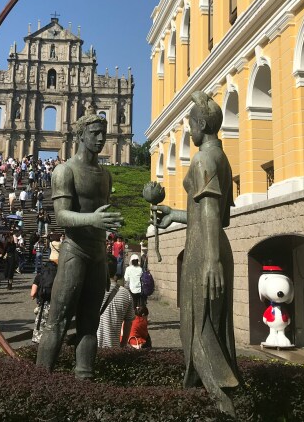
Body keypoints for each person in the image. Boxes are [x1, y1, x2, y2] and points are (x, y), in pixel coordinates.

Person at [153, 90, 241, 413]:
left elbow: (212, 212)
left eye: (191, 124)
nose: (189, 131)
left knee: (198, 331)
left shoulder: (203, 159)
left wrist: (211, 261)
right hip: (211, 244)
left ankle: (223, 405)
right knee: (212, 330)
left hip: (205, 251)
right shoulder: (221, 157)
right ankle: (203, 402)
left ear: (202, 124)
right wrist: (174, 215)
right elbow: (212, 213)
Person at [36, 114, 123, 379]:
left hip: (97, 253)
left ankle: (85, 379)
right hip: (74, 250)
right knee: (57, 321)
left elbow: (101, 215)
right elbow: (61, 216)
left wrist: (107, 226)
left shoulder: (106, 175)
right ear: (80, 135)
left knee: (90, 323)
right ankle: (39, 380)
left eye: (103, 133)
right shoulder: (65, 171)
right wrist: (93, 219)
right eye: (94, 133)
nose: (101, 138)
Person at [96, 257, 134, 349]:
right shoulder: (125, 294)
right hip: (114, 348)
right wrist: (123, 344)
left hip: (91, 349)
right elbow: (128, 322)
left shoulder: (92, 291)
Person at [30, 241, 58, 343]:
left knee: (39, 334)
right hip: (56, 306)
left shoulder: (40, 276)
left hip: (43, 306)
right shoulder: (58, 276)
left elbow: (32, 294)